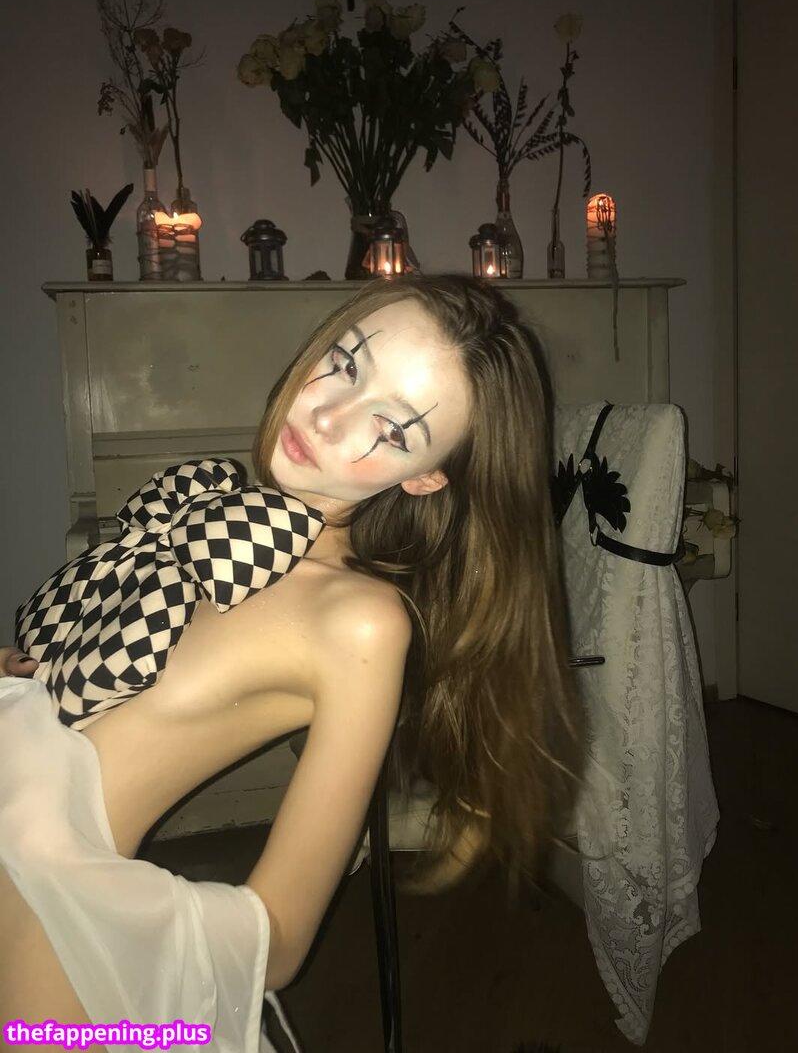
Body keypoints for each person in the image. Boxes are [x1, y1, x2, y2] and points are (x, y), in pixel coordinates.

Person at [0, 274, 579, 1053]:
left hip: (39, 935)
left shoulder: (360, 623)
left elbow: (280, 939)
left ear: (426, 476)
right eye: (345, 362)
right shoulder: (215, 518)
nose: (329, 416)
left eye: (392, 427)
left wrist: (104, 916)